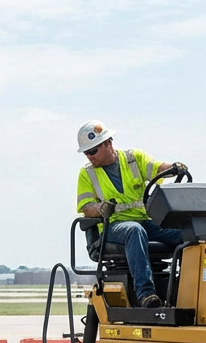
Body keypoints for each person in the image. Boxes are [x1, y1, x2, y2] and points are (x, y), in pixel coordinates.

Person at [74, 119, 188, 309]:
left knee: (188, 233)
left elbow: (157, 168)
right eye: (86, 152)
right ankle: (146, 294)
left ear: (108, 143)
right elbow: (86, 208)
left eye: (93, 151)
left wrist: (174, 168)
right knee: (134, 231)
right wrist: (101, 208)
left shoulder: (134, 159)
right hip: (112, 228)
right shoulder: (87, 174)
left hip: (146, 222)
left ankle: (186, 290)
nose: (89, 156)